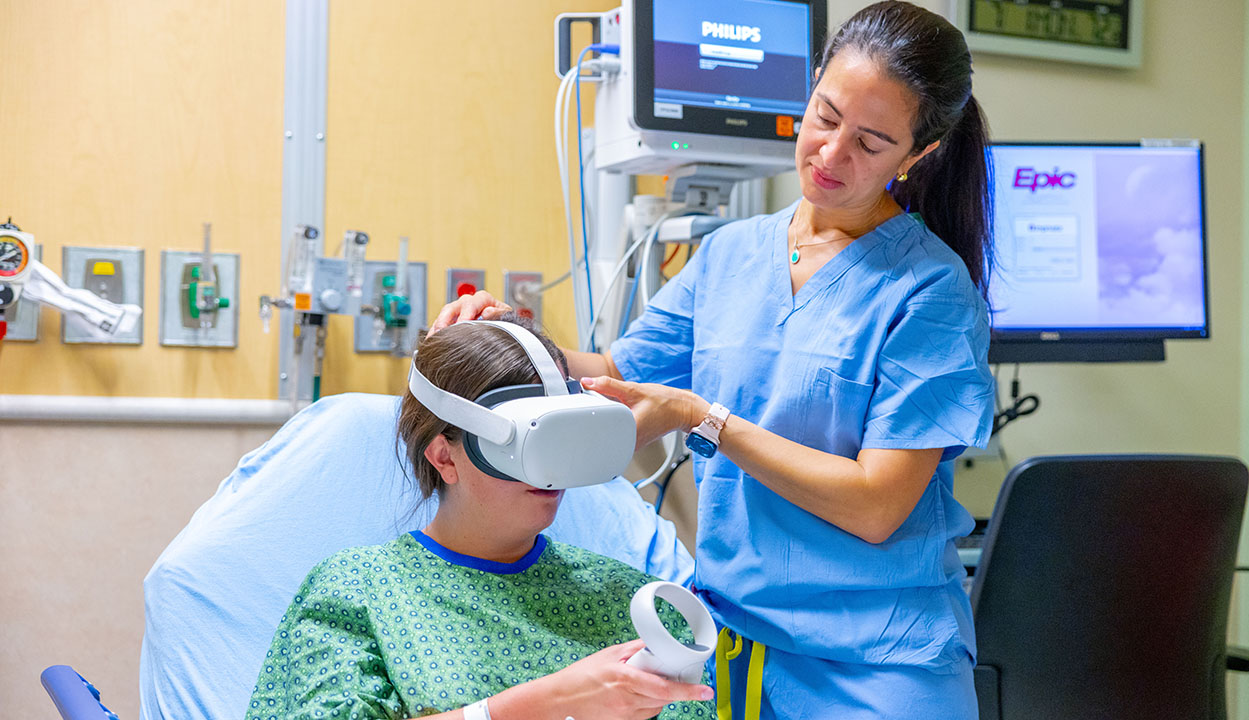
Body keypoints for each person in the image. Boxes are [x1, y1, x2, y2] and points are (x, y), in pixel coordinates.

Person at [432, 3, 996, 717]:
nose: (829, 154)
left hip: (878, 661)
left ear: (918, 154)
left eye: (870, 142)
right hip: (734, 647)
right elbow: (619, 367)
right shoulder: (731, 253)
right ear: (813, 84)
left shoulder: (931, 293)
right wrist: (514, 330)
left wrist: (704, 419)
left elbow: (878, 505)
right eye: (825, 117)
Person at [244, 315, 714, 720]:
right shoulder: (356, 591)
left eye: (561, 436)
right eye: (521, 443)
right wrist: (542, 703)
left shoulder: (634, 605)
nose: (550, 472)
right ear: (443, 458)